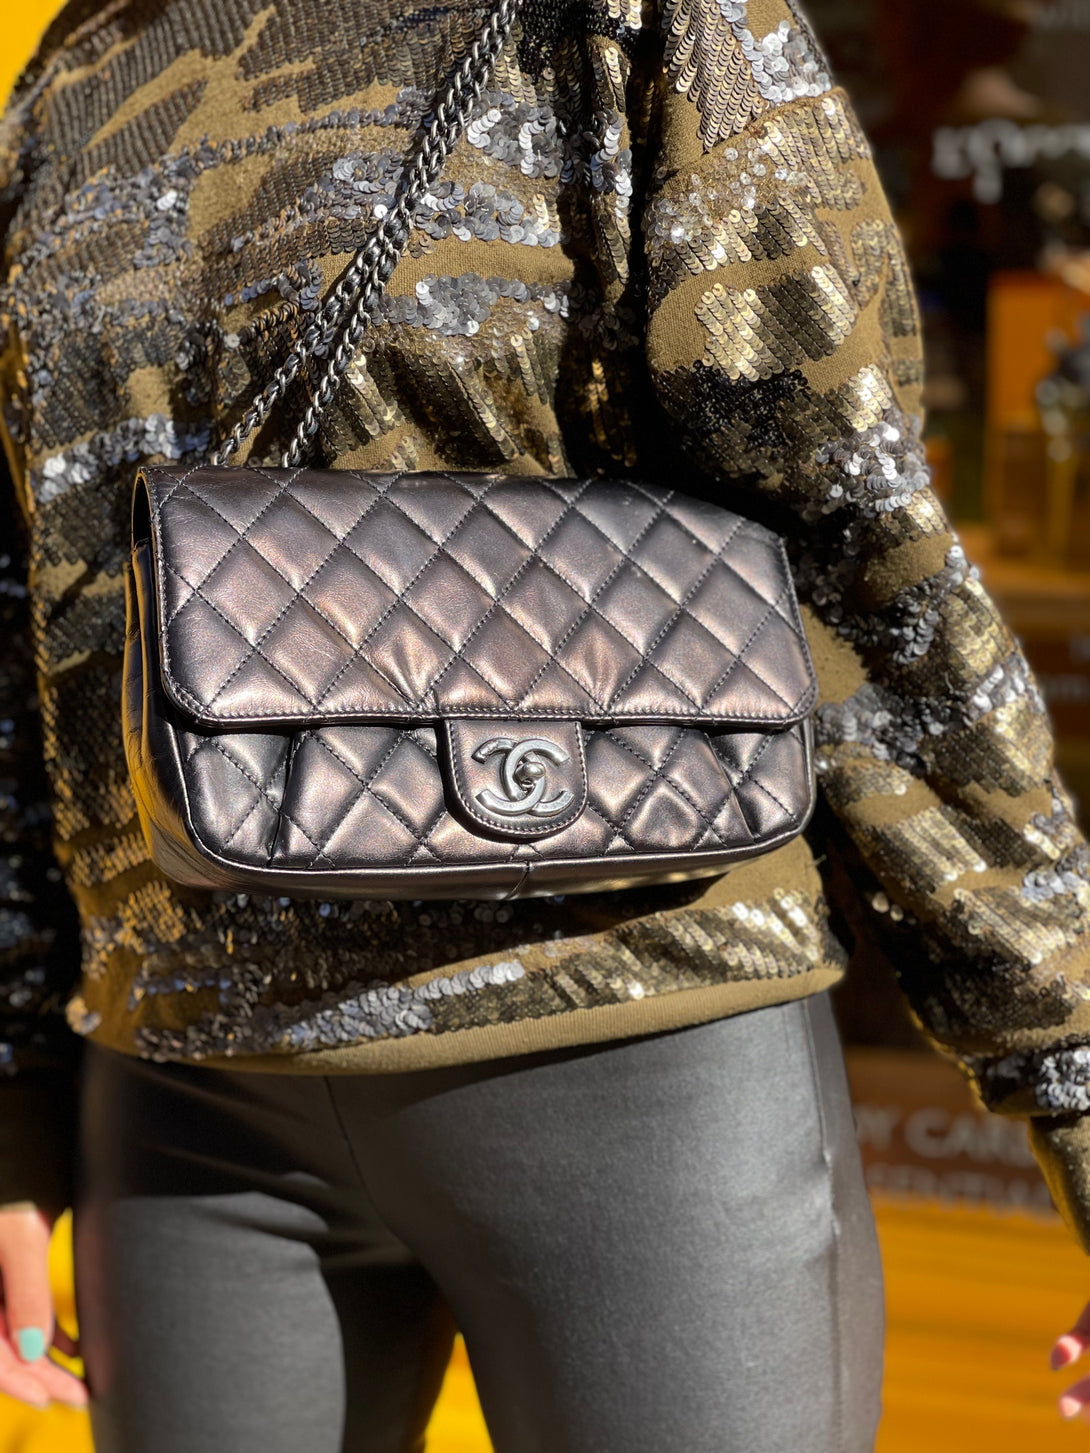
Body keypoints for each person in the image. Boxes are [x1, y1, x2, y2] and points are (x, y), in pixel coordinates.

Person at [1, 0, 1090, 1448]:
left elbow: (859, 553)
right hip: (189, 1101)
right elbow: (33, 602)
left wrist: (1073, 1080)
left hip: (638, 1053)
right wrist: (14, 1101)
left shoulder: (639, 19)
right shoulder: (82, 62)